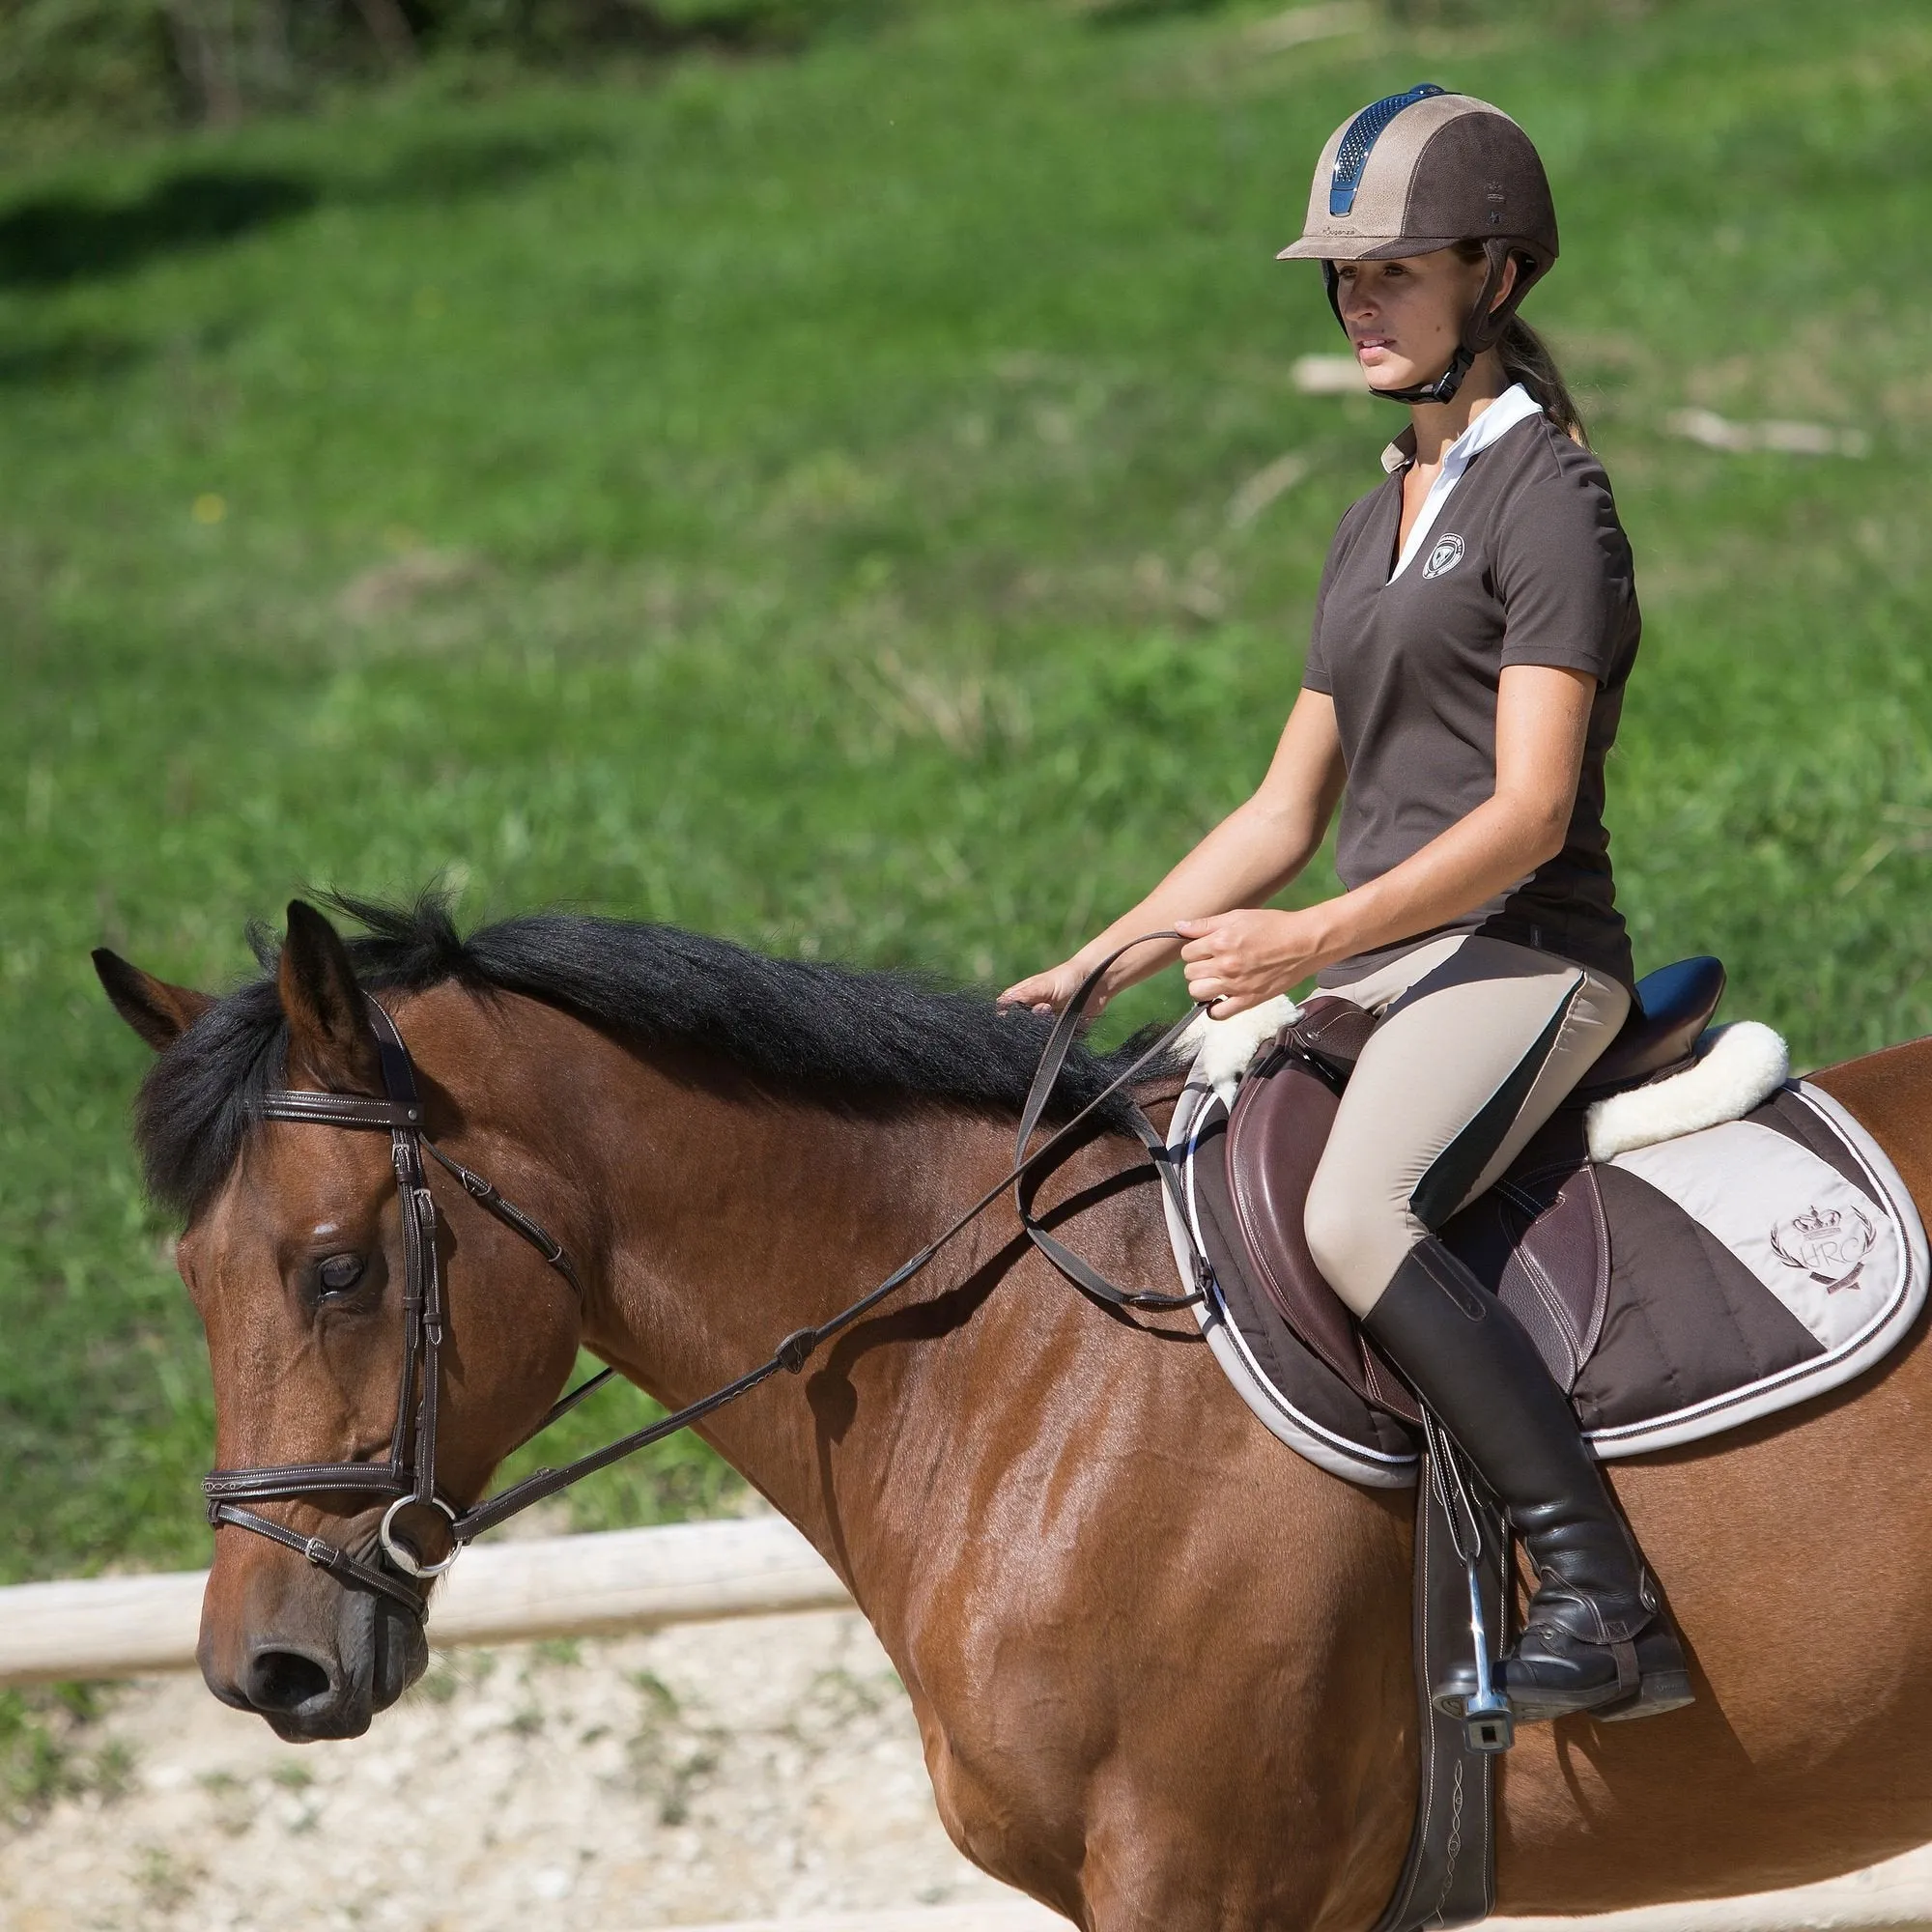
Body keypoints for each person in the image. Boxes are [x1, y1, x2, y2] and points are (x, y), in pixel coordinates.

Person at [1000, 87, 1690, 1725]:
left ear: (1495, 276)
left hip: (1522, 960)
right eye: (1341, 276)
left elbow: (1526, 814)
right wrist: (1107, 954)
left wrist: (1311, 939)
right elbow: (1281, 808)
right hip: (1384, 970)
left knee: (1355, 1218)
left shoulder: (1551, 501)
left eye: (1391, 269)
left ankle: (1603, 1596)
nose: (1356, 301)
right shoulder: (1370, 518)